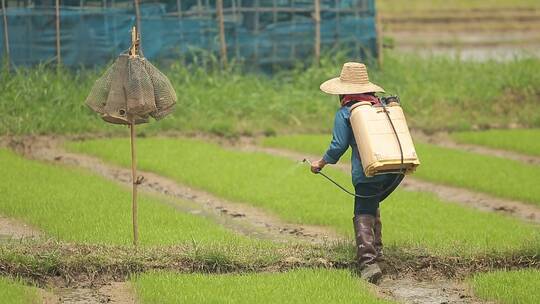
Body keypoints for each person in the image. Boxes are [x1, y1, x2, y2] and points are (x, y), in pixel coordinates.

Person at [310, 62, 403, 283]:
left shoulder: (346, 112)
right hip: (395, 170)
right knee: (372, 207)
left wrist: (321, 163)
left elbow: (338, 146)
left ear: (343, 91)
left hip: (368, 172)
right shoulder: (381, 107)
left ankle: (368, 263)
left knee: (363, 212)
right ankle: (379, 256)